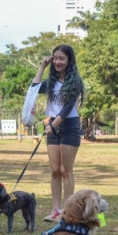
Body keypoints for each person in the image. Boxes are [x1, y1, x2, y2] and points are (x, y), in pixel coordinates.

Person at [31, 44, 85, 222]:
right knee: (55, 170)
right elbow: (35, 89)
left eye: (61, 58)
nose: (57, 61)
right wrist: (41, 67)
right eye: (55, 58)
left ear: (69, 60)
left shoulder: (75, 81)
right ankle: (56, 210)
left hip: (68, 125)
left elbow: (68, 108)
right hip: (53, 126)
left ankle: (67, 212)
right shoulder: (51, 82)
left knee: (65, 170)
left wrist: (53, 124)